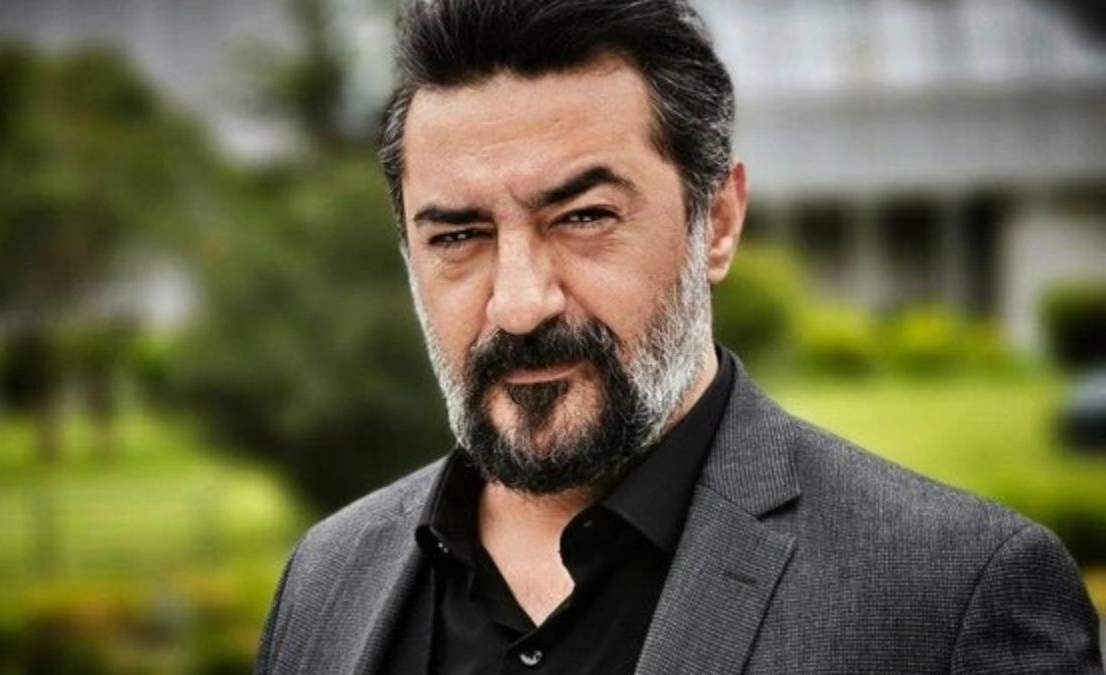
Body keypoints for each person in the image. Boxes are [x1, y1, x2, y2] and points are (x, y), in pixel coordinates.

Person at [255, 0, 1104, 673]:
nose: (519, 304)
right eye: (459, 235)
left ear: (718, 222)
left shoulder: (953, 598)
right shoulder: (326, 581)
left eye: (584, 216)